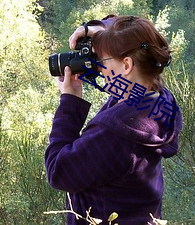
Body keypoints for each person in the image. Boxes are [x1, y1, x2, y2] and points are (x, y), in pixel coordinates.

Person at [45, 15, 183, 225]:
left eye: (101, 61)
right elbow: (132, 32)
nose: (98, 68)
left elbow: (58, 171)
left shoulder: (115, 132)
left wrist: (70, 103)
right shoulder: (158, 101)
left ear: (126, 64)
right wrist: (100, 31)